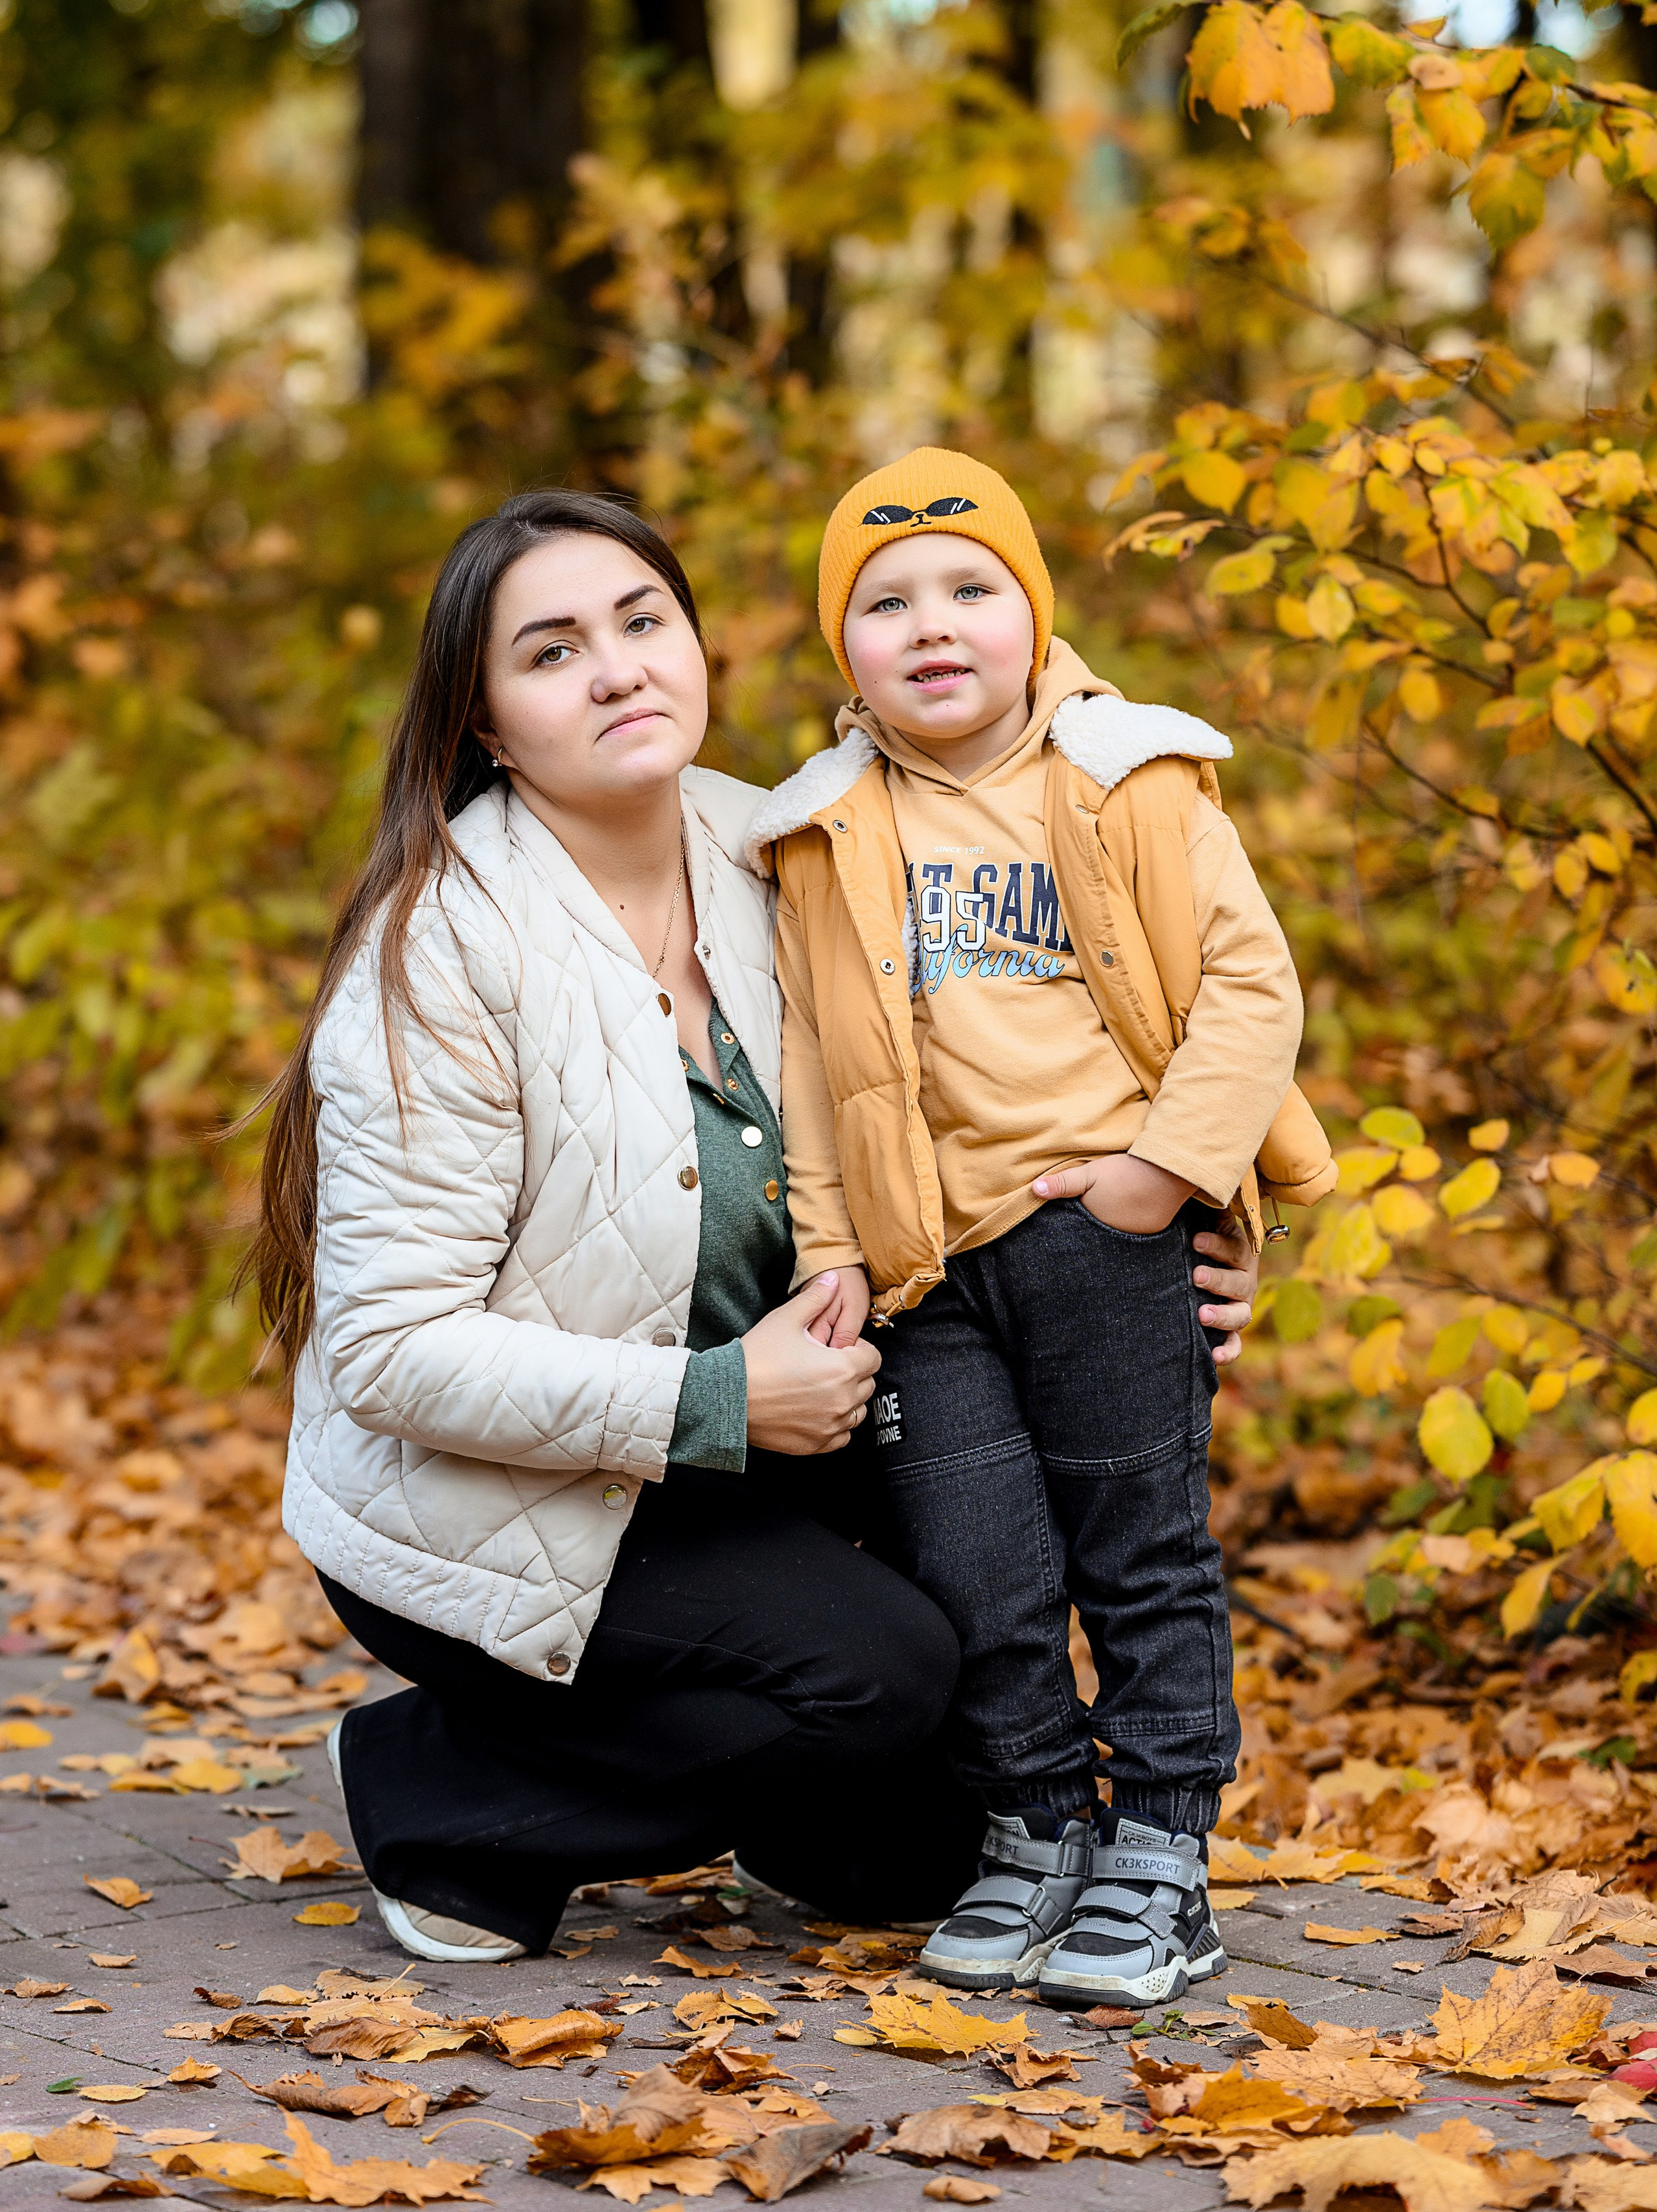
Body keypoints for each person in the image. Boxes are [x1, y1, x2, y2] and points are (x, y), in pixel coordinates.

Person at [248, 483, 1264, 1964]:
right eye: (550, 652)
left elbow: (1021, 1071)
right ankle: (445, 1788)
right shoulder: (440, 952)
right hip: (501, 1497)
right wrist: (720, 1396)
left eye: (641, 621)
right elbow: (390, 1355)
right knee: (880, 1679)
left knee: (915, 1846)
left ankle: (788, 1784)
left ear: (696, 641)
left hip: (757, 1466)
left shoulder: (794, 841)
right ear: (482, 724)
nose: (615, 669)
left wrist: (1179, 1216)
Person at [744, 446, 1336, 2010]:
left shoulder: (1126, 777)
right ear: (840, 645)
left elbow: (1248, 986)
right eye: (884, 603)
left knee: (1135, 1551)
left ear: (1031, 612)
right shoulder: (822, 829)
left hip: (1096, 1230)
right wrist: (828, 1252)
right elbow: (813, 1057)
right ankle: (1034, 1828)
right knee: (975, 1571)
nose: (931, 626)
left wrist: (1160, 1173)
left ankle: (1159, 1852)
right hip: (923, 1267)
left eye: (968, 588)